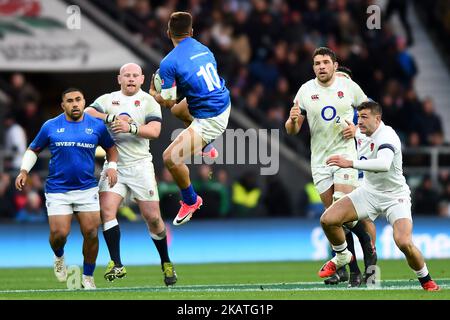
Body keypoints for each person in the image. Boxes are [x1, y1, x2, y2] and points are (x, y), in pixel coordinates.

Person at [320, 101, 440, 291]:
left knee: (404, 242)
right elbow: (354, 130)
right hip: (368, 192)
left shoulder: (388, 136)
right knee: (328, 219)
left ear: (378, 119)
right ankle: (343, 256)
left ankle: (426, 280)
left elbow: (383, 164)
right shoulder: (361, 131)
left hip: (395, 197)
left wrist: (350, 163)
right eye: (359, 117)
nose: (360, 121)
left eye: (364, 117)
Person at [285, 47, 376, 287]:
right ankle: (353, 269)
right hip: (320, 162)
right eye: (317, 63)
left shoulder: (349, 87)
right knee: (335, 220)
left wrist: (358, 129)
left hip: (345, 156)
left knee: (339, 204)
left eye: (326, 62)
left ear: (335, 65)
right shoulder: (305, 91)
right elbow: (292, 130)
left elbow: (371, 115)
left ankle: (364, 256)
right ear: (313, 67)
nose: (321, 66)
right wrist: (293, 120)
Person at [15, 88, 118, 290]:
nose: (75, 104)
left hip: (87, 188)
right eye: (70, 101)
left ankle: (87, 277)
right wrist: (23, 171)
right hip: (58, 189)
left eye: (78, 99)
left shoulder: (96, 125)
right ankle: (59, 255)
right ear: (63, 105)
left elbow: (111, 149)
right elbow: (34, 149)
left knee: (91, 233)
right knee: (59, 235)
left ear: (83, 101)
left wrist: (112, 167)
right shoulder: (50, 126)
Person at [85, 63, 177, 286]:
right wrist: (109, 119)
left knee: (153, 219)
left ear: (142, 79)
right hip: (114, 165)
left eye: (135, 75)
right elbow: (88, 112)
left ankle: (166, 262)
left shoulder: (148, 101)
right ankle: (116, 263)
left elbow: (154, 132)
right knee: (106, 212)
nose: (131, 78)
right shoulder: (109, 99)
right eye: (127, 75)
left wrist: (131, 128)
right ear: (119, 79)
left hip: (140, 166)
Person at [149, 11, 231, 226]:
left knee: (170, 158)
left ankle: (191, 200)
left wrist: (152, 92)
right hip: (223, 100)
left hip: (210, 117)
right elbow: (182, 98)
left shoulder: (169, 63)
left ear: (168, 33)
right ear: (192, 32)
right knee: (179, 111)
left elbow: (166, 102)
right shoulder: (204, 49)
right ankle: (206, 146)